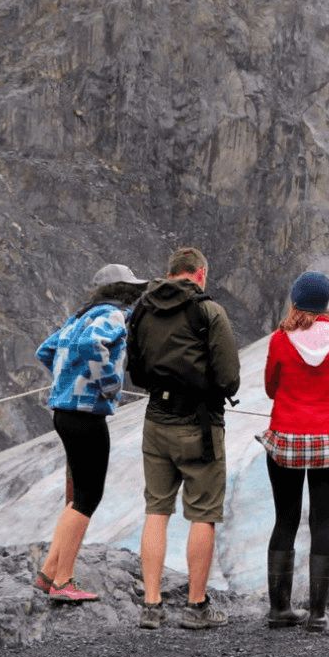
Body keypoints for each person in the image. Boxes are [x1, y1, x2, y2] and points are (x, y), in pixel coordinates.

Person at [126, 247, 241, 631]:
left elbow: (137, 371)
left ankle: (151, 605)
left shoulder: (142, 309)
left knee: (156, 510)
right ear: (199, 274)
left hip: (155, 420)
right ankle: (196, 606)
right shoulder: (208, 312)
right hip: (199, 424)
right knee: (203, 513)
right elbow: (229, 378)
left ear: (170, 273)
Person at [33, 263, 148, 603]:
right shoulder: (112, 316)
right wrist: (110, 385)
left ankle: (49, 573)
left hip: (64, 412)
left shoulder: (78, 317)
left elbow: (45, 350)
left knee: (80, 494)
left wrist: (68, 378)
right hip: (86, 415)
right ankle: (63, 581)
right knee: (87, 497)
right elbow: (93, 345)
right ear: (125, 292)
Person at [261, 271, 329, 631]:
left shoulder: (280, 339)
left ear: (295, 300)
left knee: (285, 519)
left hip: (287, 437)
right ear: (326, 302)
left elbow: (271, 386)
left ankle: (279, 610)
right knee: (323, 523)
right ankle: (318, 614)